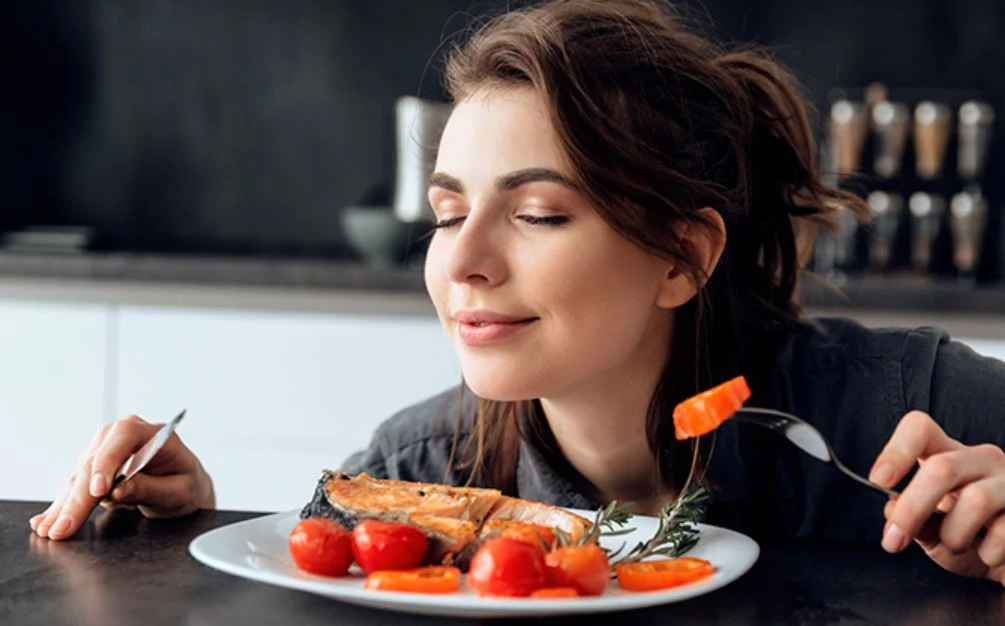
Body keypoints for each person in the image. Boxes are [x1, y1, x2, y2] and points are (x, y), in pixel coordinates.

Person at [30, 0, 1005, 586]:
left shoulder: (907, 403)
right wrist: (185, 534)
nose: (462, 264)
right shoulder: (419, 465)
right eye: (449, 214)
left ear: (681, 256)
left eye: (537, 213)